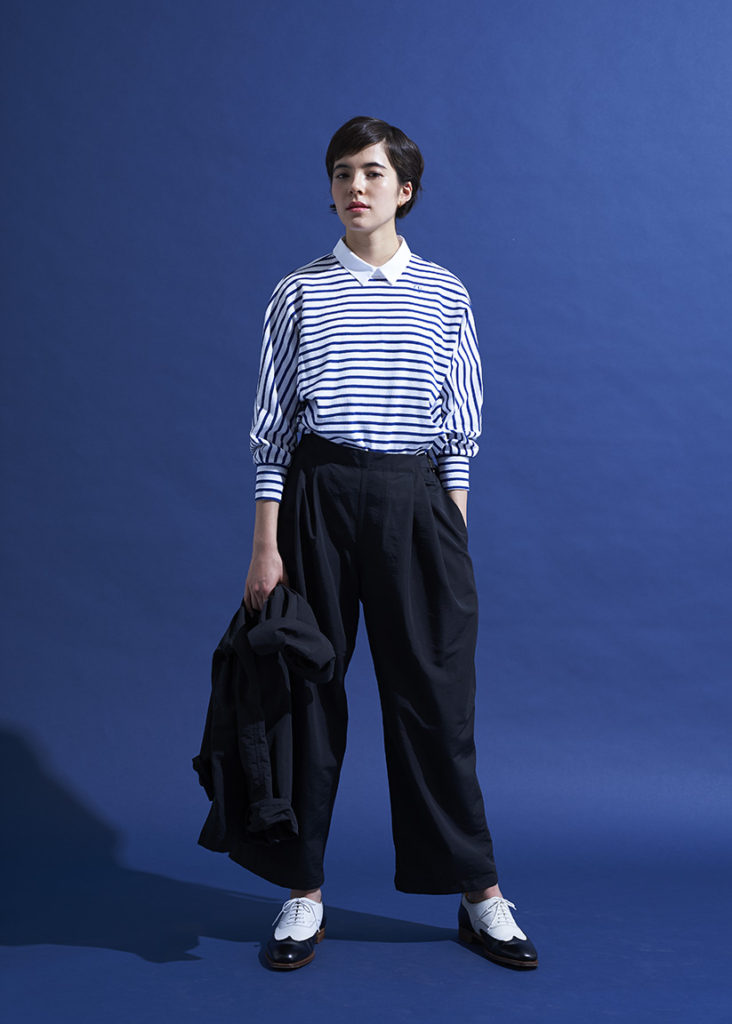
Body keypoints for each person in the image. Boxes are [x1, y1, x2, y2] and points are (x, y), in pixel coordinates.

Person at [243, 116, 538, 971]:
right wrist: (265, 546)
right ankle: (302, 893)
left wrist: (451, 530)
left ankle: (479, 894)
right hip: (318, 497)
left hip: (417, 503)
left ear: (404, 190)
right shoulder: (297, 292)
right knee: (306, 692)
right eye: (342, 173)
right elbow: (273, 429)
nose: (355, 187)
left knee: (435, 701)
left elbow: (459, 429)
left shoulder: (445, 293)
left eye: (372, 173)